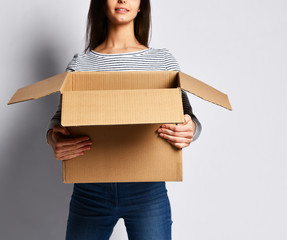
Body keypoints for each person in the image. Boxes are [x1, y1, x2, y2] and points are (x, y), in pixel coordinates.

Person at [46, 0, 202, 239]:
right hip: (90, 193)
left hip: (148, 193)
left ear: (141, 6)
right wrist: (53, 138)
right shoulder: (81, 64)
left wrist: (190, 129)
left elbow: (188, 117)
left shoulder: (162, 61)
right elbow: (59, 120)